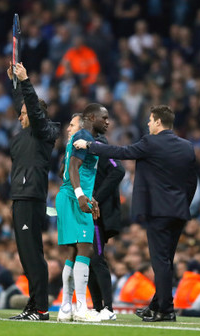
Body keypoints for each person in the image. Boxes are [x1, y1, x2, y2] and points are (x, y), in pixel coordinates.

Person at [74, 105, 197, 322]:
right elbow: (191, 182)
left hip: (158, 211)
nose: (148, 124)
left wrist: (90, 145)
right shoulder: (187, 147)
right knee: (166, 260)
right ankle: (157, 305)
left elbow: (122, 152)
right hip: (178, 211)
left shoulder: (151, 142)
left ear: (159, 122)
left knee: (160, 262)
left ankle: (166, 310)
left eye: (150, 120)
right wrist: (182, 204)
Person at [7, 62, 60, 320]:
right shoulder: (24, 135)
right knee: (26, 258)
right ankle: (33, 304)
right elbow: (25, 105)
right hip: (18, 198)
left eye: (25, 113)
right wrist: (15, 84)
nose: (20, 116)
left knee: (33, 256)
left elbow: (35, 111)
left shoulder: (45, 132)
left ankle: (41, 308)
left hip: (31, 198)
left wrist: (26, 81)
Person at [56, 104, 103, 322]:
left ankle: (66, 307)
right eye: (105, 117)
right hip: (74, 198)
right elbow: (73, 168)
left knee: (73, 253)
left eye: (71, 125)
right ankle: (82, 308)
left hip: (68, 196)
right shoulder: (83, 135)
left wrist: (85, 194)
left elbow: (64, 171)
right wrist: (81, 195)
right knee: (86, 248)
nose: (68, 129)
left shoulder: (72, 144)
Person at [87, 103, 125, 322]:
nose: (108, 121)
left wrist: (96, 199)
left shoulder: (100, 145)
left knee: (97, 258)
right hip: (86, 212)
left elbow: (118, 170)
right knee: (90, 258)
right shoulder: (85, 146)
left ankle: (108, 308)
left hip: (96, 214)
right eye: (105, 117)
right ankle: (97, 306)